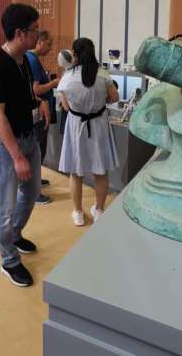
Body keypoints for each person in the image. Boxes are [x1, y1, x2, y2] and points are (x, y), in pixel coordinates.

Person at [0, 3, 48, 287]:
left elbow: (24, 95)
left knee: (31, 192)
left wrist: (40, 101)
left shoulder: (25, 60)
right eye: (35, 30)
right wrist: (17, 156)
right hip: (7, 144)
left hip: (29, 135)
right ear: (19, 33)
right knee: (5, 204)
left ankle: (14, 234)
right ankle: (8, 260)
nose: (38, 34)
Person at [57, 38, 119, 226]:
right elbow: (114, 97)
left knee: (76, 172)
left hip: (76, 125)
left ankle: (77, 212)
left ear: (75, 54)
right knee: (100, 170)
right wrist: (100, 102)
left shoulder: (67, 77)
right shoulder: (103, 74)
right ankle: (99, 209)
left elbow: (66, 107)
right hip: (98, 124)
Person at [26, 30, 60, 205]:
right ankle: (33, 191)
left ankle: (35, 181)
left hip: (39, 113)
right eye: (49, 44)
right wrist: (53, 83)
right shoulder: (32, 60)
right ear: (40, 42)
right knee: (37, 150)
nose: (50, 48)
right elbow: (36, 90)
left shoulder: (31, 59)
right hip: (38, 113)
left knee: (37, 150)